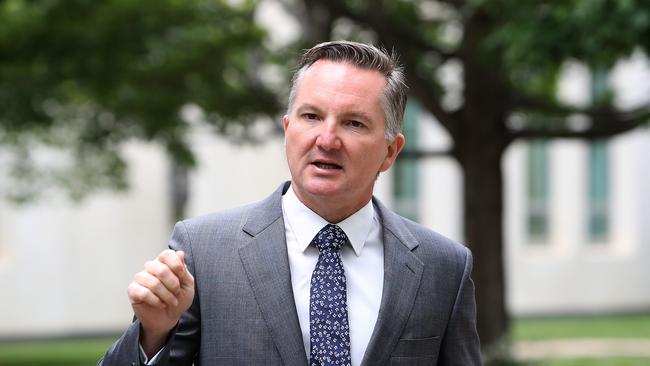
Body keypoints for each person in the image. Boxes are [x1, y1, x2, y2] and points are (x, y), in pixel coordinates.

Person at [99, 40, 481, 366]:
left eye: (354, 124)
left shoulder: (443, 267)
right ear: (287, 130)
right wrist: (153, 333)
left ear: (389, 152)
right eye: (311, 116)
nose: (327, 139)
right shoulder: (204, 251)